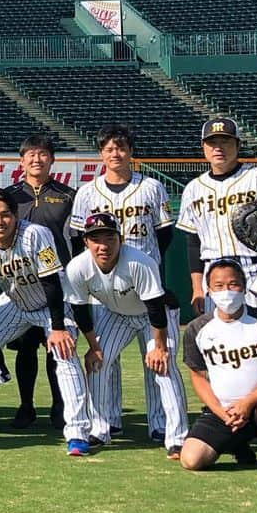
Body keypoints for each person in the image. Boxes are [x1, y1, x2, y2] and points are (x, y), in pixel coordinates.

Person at [0, 188, 92, 456]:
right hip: (15, 304)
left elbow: (52, 282)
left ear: (15, 215)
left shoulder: (34, 235)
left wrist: (57, 327)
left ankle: (77, 432)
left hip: (54, 304)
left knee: (64, 356)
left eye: (5, 215)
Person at [70, 124, 179, 441]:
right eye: (109, 148)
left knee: (156, 361)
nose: (115, 153)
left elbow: (165, 232)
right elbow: (80, 238)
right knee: (104, 358)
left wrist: (146, 264)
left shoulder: (152, 187)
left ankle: (160, 424)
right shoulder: (88, 192)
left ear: (130, 152)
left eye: (121, 147)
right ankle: (108, 421)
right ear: (101, 154)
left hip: (144, 280)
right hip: (105, 290)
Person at [66, 212, 188, 458]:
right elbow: (79, 310)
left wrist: (160, 346)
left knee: (163, 367)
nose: (103, 245)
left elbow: (155, 307)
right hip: (117, 314)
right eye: (95, 239)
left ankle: (175, 438)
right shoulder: (78, 267)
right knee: (98, 363)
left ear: (120, 239)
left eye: (110, 238)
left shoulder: (139, 261)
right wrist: (93, 347)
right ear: (86, 242)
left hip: (154, 316)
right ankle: (100, 430)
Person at [180, 259, 257, 482]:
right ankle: (238, 442)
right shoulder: (197, 329)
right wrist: (222, 413)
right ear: (209, 290)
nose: (226, 291)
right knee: (191, 460)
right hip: (225, 411)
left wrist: (247, 403)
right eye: (219, 285)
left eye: (233, 284)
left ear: (243, 287)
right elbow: (198, 377)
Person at [177, 118, 257, 314]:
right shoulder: (193, 189)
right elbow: (193, 241)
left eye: (225, 141)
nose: (218, 148)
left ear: (238, 145)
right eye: (212, 142)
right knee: (220, 340)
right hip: (213, 274)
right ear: (203, 147)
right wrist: (197, 287)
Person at [6, 134, 76, 430]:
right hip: (20, 282)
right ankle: (26, 405)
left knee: (55, 347)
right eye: (31, 155)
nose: (37, 159)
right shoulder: (10, 196)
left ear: (52, 159)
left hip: (57, 282)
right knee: (25, 348)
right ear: (21, 161)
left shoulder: (68, 195)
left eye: (43, 154)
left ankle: (59, 406)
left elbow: (79, 241)